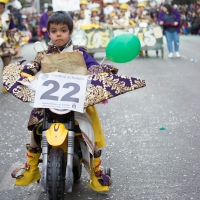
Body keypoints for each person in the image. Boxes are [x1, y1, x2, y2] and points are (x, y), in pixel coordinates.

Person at [4, 11, 112, 192]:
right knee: (36, 128)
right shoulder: (43, 53)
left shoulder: (79, 52)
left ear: (70, 32)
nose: (59, 34)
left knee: (90, 132)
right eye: (54, 31)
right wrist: (26, 73)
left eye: (63, 30)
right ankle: (31, 167)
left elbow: (92, 65)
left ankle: (96, 171)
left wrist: (97, 72)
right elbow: (33, 66)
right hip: (49, 100)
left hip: (76, 101)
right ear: (49, 33)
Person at [0, 0, 17, 93]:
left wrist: (13, 31)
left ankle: (5, 84)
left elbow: (12, 28)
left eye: (2, 4)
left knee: (7, 65)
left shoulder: (9, 16)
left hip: (5, 43)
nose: (0, 6)